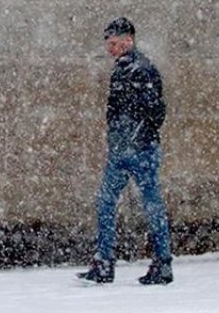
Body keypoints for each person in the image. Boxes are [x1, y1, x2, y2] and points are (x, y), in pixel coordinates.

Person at [76, 17, 174, 285]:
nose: (111, 48)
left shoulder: (141, 69)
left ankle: (161, 263)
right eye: (109, 43)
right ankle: (105, 262)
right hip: (122, 151)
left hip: (139, 151)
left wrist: (136, 137)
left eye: (116, 43)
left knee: (149, 205)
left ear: (129, 40)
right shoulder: (123, 68)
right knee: (109, 202)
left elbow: (155, 111)